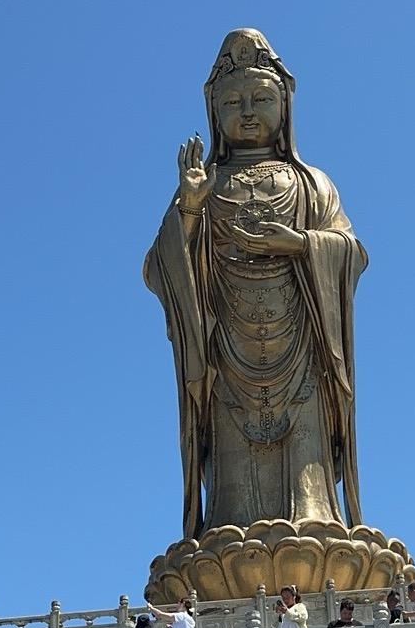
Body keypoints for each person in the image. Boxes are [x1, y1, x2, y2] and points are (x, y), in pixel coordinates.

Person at [145, 28, 369, 538]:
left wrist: (299, 245)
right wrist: (188, 208)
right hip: (226, 353)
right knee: (231, 461)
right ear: (215, 113)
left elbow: (351, 251)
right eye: (233, 101)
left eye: (261, 99)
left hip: (303, 346)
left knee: (305, 444)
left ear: (285, 106)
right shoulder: (204, 185)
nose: (247, 111)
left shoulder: (312, 182)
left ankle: (315, 518)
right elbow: (160, 267)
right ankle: (227, 523)